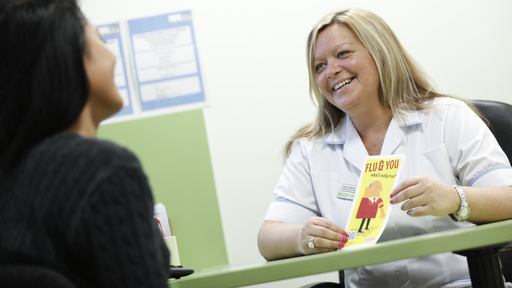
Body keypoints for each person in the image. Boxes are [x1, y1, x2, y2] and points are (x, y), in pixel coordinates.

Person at [257, 8, 512, 288]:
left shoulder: (448, 117)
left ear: (380, 52)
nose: (331, 71)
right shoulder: (311, 148)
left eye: (342, 54)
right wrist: (301, 237)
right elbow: (268, 238)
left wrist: (456, 199)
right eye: (319, 66)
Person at [0, 0, 170, 287]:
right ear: (70, 55)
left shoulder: (11, 178)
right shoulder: (106, 170)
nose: (112, 54)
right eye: (101, 38)